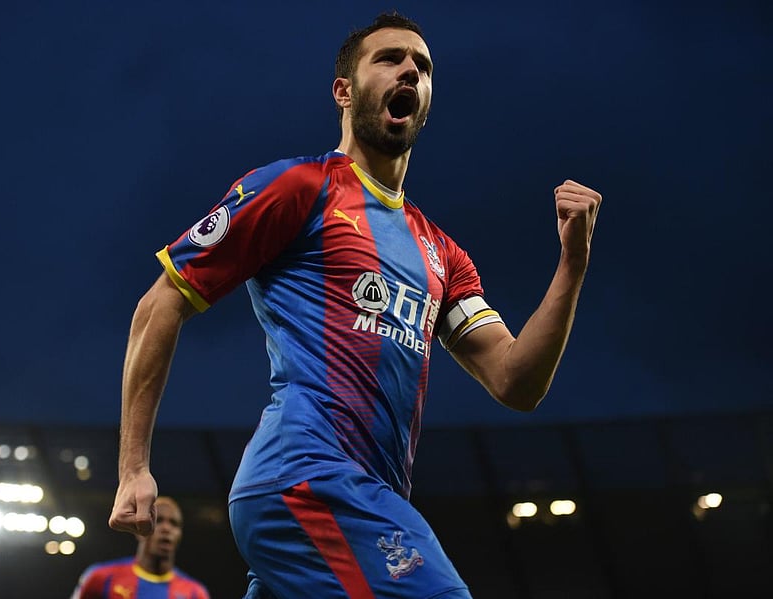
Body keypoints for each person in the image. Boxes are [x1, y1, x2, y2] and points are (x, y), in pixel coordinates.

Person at [109, 11, 602, 599]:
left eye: (421, 67)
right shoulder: (297, 188)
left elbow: (516, 381)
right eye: (390, 59)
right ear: (345, 91)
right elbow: (160, 304)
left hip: (367, 493)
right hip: (306, 478)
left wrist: (572, 266)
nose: (409, 73)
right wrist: (133, 467)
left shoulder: (442, 254)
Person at [72, 496, 210, 598]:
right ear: (139, 530)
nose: (166, 529)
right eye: (158, 520)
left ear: (180, 534)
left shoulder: (195, 593)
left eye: (174, 523)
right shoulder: (101, 577)